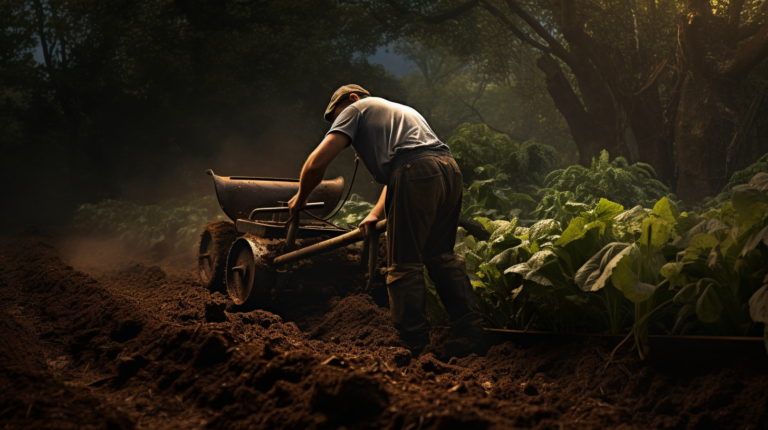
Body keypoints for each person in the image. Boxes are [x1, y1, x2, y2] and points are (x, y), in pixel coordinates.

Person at [288, 84, 484, 354]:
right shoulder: (399, 111)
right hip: (449, 170)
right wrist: (374, 214)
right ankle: (470, 332)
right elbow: (400, 167)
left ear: (352, 98)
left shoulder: (356, 108)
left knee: (403, 264)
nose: (338, 124)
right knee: (441, 256)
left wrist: (301, 198)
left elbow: (317, 163)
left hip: (416, 171)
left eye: (336, 116)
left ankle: (414, 344)